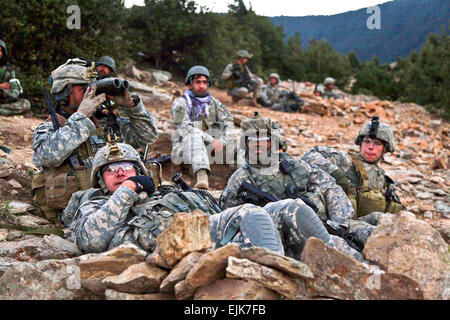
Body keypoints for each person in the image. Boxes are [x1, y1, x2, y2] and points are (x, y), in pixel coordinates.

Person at [62, 142, 285, 256]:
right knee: (249, 213)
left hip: (213, 234)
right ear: (100, 180)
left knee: (290, 209)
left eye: (126, 168)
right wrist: (129, 187)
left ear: (139, 170)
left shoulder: (161, 192)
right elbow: (91, 241)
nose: (119, 173)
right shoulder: (95, 203)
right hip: (181, 245)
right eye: (111, 170)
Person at [219, 112, 364, 260]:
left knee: (369, 233)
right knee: (347, 253)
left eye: (263, 138)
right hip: (285, 239)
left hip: (327, 224)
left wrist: (340, 223)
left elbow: (330, 187)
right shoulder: (239, 179)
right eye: (251, 139)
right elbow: (230, 221)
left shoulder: (296, 165)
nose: (258, 143)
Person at [31, 58, 159, 223]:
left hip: (122, 202)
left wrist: (132, 106)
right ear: (64, 93)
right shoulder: (52, 126)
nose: (92, 93)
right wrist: (82, 117)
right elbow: (47, 156)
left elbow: (148, 136)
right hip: (82, 212)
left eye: (94, 87)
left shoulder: (108, 122)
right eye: (84, 89)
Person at [301, 116, 404, 243]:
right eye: (366, 141)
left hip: (360, 222)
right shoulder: (346, 160)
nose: (370, 147)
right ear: (360, 143)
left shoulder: (384, 180)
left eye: (376, 143)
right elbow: (310, 155)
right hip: (340, 225)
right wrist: (336, 173)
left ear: (386, 149)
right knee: (379, 236)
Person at [171, 65, 236, 190]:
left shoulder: (215, 103)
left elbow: (229, 124)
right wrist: (212, 140)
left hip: (213, 148)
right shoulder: (180, 103)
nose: (202, 86)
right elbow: (184, 127)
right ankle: (202, 178)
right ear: (190, 84)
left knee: (242, 144)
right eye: (197, 82)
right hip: (185, 147)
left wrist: (221, 142)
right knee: (194, 136)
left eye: (204, 82)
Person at [0, 39, 31, 116]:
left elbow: (15, 92)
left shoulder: (8, 70)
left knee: (26, 104)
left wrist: (4, 92)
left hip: (3, 100)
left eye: (0, 51)